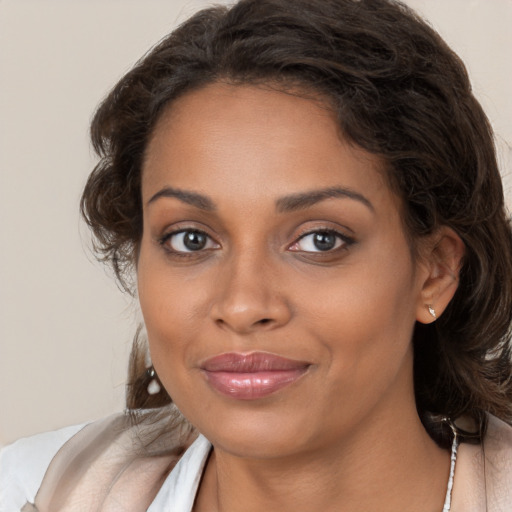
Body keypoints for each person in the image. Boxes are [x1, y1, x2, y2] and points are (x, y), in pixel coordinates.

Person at [1, 0, 511, 510]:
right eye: (191, 239)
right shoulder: (34, 493)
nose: (243, 305)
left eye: (320, 240)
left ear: (435, 272)